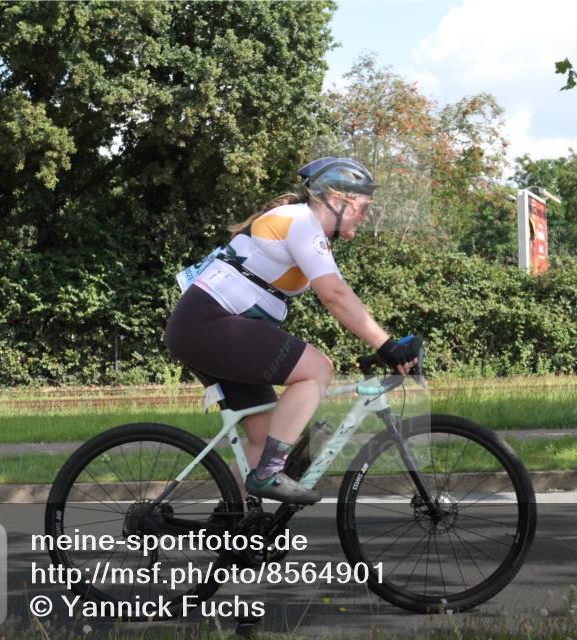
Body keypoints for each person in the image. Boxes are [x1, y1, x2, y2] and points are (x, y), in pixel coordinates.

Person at [165, 157, 419, 505]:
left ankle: (232, 530)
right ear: (337, 199)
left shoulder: (306, 230)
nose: (366, 215)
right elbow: (334, 297)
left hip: (206, 328)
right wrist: (388, 345)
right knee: (317, 368)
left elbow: (346, 298)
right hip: (209, 324)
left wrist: (381, 342)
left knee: (264, 433)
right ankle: (269, 472)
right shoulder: (302, 222)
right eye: (363, 206)